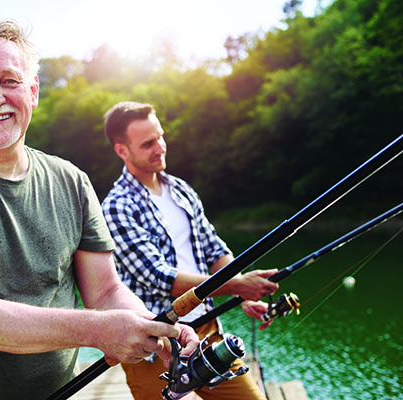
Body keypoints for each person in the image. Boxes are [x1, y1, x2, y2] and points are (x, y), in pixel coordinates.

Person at [0, 22, 198, 400]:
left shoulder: (73, 181)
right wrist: (102, 331)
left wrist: (150, 325)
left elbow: (105, 292)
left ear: (33, 91)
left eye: (9, 81)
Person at [101, 101, 280, 400]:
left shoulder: (182, 190)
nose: (160, 147)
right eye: (148, 144)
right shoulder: (117, 207)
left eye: (160, 137)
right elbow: (160, 277)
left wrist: (241, 294)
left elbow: (213, 249)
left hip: (206, 330)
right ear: (122, 150)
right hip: (153, 344)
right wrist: (238, 286)